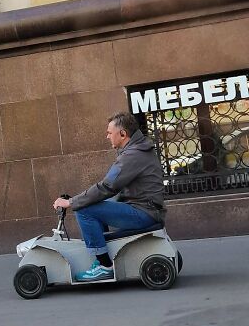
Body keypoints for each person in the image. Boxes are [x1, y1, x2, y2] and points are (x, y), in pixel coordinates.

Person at [53, 111, 166, 282]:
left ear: (122, 134)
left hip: (143, 213)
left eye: (109, 132)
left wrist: (71, 202)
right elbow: (111, 188)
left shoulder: (132, 155)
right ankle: (104, 251)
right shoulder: (139, 148)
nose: (107, 136)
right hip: (148, 209)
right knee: (96, 202)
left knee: (84, 209)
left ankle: (104, 265)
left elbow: (107, 186)